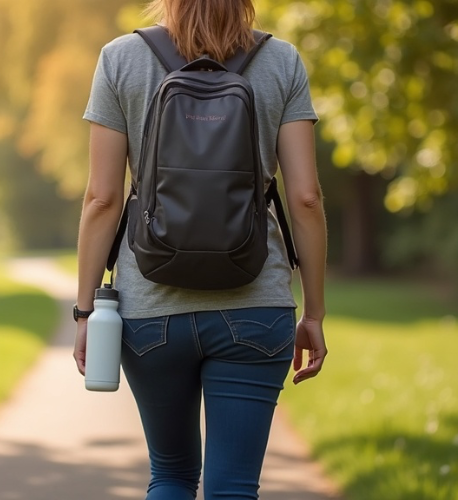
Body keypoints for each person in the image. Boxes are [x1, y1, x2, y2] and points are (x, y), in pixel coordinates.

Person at [73, 0, 328, 498]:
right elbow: (306, 197)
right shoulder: (282, 62)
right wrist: (314, 313)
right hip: (256, 306)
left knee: (169, 475)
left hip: (150, 310)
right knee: (233, 487)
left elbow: (101, 199)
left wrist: (86, 312)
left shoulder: (120, 59)